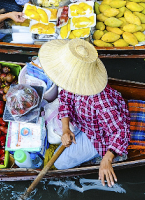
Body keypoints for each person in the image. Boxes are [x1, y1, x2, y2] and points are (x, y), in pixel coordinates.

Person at [38, 39, 130, 187]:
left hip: (98, 133)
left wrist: (108, 158)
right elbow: (65, 100)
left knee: (61, 163)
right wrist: (66, 128)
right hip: (82, 119)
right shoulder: (70, 81)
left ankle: (98, 155)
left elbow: (121, 131)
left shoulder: (100, 101)